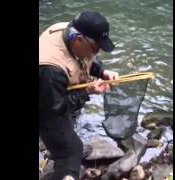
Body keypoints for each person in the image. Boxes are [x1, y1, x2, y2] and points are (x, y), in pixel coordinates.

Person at [39, 11, 118, 180]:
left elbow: (85, 59)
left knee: (71, 128)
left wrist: (102, 72)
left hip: (54, 92)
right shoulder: (50, 69)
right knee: (71, 151)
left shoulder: (70, 33)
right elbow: (54, 111)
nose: (96, 53)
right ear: (79, 40)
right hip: (45, 104)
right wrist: (87, 91)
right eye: (96, 48)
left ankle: (58, 148)